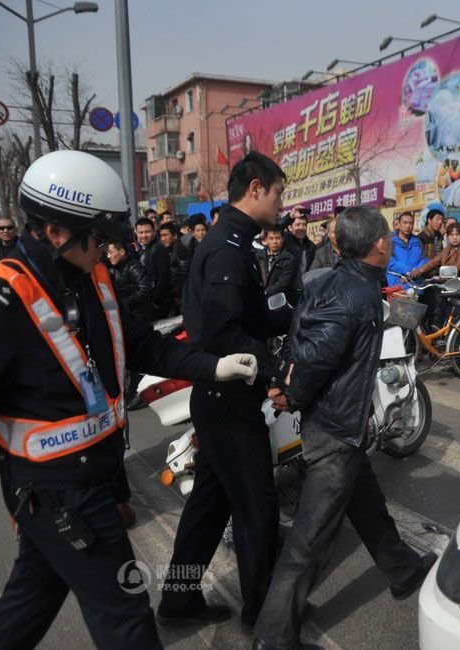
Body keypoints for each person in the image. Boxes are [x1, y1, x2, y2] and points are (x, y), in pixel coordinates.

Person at [0, 150, 258, 649]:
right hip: (57, 491)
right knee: (128, 614)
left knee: (31, 599)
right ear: (54, 231)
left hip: (88, 474)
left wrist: (212, 366)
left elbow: (144, 344)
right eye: (99, 239)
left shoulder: (88, 279)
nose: (107, 250)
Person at [254, 205, 438, 650]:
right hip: (336, 432)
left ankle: (402, 569)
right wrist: (291, 391)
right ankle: (273, 638)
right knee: (308, 541)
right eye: (389, 236)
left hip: (343, 427)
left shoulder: (340, 282)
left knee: (368, 504)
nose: (393, 239)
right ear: (378, 245)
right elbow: (316, 356)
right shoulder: (353, 295)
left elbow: (304, 340)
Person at [162, 151, 292, 631]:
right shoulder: (226, 246)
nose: (282, 203)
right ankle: (267, 619)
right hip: (228, 396)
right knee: (258, 505)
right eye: (278, 193)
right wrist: (275, 370)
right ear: (255, 188)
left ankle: (177, 599)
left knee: (210, 504)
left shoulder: (234, 239)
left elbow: (247, 315)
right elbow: (223, 330)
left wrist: (295, 312)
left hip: (220, 397)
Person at [106, 239, 155, 411]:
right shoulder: (111, 269)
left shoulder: (134, 267)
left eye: (111, 252)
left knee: (137, 355)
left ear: (121, 252)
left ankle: (139, 393)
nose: (108, 255)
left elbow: (145, 289)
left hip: (138, 317)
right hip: (124, 317)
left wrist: (125, 304)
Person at [134, 217, 172, 319]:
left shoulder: (159, 249)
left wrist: (154, 301)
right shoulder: (142, 249)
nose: (144, 235)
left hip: (157, 304)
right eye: (140, 232)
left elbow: (163, 278)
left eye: (147, 232)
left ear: (154, 232)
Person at [256, 227, 299, 305]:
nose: (275, 242)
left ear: (283, 239)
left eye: (278, 238)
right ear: (266, 240)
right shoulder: (259, 256)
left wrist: (265, 292)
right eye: (271, 238)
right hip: (260, 300)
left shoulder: (289, 259)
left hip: (279, 302)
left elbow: (283, 283)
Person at [386, 211, 427, 288]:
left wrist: (416, 272)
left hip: (416, 284)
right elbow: (390, 262)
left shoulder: (418, 241)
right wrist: (410, 271)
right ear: (399, 224)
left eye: (411, 223)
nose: (408, 226)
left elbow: (424, 260)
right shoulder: (390, 241)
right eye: (405, 223)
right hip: (397, 284)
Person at [158, 222, 189, 315]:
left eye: (166, 235)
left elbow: (184, 273)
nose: (163, 239)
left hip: (180, 297)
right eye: (161, 236)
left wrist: (178, 295)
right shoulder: (168, 250)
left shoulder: (181, 250)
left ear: (175, 235)